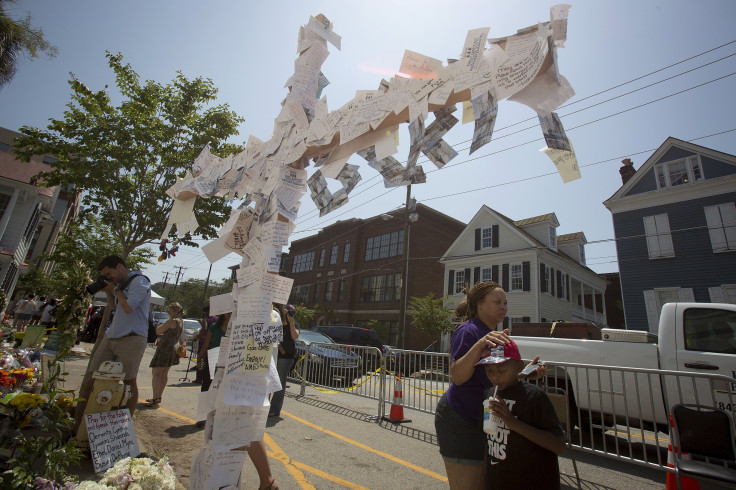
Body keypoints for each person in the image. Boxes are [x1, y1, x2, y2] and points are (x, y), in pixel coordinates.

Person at [434, 281, 543, 489]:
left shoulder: (494, 335)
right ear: (480, 305)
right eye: (497, 302)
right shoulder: (469, 331)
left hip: (482, 421)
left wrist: (525, 373)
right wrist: (481, 343)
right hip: (459, 419)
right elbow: (458, 376)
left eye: (505, 303)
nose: (503, 307)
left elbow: (494, 377)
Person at [74, 255, 151, 430]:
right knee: (91, 379)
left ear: (119, 266)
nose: (109, 277)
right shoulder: (119, 286)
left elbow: (128, 307)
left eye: (109, 273)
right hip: (112, 336)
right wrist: (109, 291)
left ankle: (124, 428)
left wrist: (115, 289)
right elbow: (115, 307)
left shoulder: (140, 282)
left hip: (132, 338)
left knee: (129, 382)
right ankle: (77, 424)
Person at [479, 340, 565, 489]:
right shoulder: (489, 394)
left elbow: (559, 445)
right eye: (489, 370)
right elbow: (489, 443)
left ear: (518, 366)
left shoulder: (533, 396)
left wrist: (513, 423)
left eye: (501, 370)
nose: (495, 376)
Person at [145, 302, 184, 406]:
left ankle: (155, 397)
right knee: (164, 373)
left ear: (175, 311)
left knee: (157, 373)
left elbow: (158, 331)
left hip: (165, 348)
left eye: (170, 311)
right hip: (173, 347)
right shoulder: (181, 321)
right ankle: (158, 396)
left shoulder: (172, 321)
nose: (168, 313)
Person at [269, 304, 299, 418]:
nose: (290, 315)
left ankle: (274, 409)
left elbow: (294, 336)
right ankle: (263, 405)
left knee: (279, 383)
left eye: (292, 313)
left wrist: (291, 323)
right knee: (268, 380)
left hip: (286, 358)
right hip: (274, 354)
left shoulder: (294, 324)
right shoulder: (277, 321)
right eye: (288, 312)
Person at [198, 312, 230, 392]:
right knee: (207, 384)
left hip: (227, 360)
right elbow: (206, 344)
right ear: (224, 315)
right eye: (229, 313)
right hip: (212, 358)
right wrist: (199, 358)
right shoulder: (214, 327)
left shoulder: (234, 328)